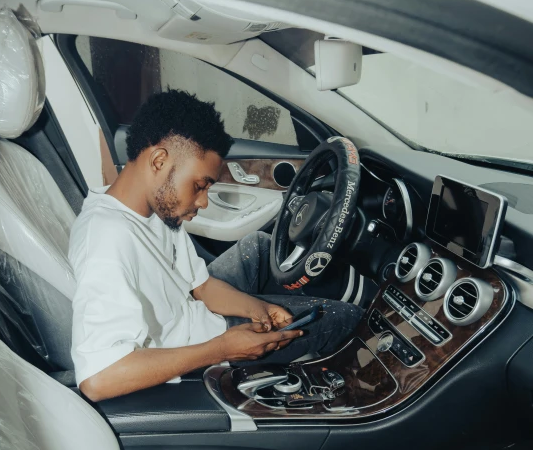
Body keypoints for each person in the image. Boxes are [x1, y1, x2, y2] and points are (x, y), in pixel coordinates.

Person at [69, 90, 362, 401]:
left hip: (195, 316)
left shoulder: (153, 210)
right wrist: (222, 348)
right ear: (159, 160)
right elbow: (98, 378)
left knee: (260, 247)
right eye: (199, 185)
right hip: (197, 353)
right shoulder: (107, 240)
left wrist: (259, 309)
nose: (204, 201)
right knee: (346, 319)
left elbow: (202, 287)